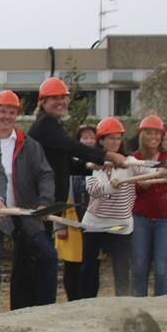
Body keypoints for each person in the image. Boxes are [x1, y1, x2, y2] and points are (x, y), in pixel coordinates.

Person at [28, 77, 125, 304]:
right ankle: (39, 304)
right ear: (43, 102)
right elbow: (72, 147)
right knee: (42, 258)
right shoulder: (46, 125)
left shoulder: (53, 125)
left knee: (43, 257)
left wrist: (93, 165)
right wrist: (106, 156)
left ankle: (39, 303)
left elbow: (64, 162)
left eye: (63, 97)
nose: (60, 102)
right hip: (41, 201)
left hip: (50, 202)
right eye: (55, 98)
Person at [0, 89, 56, 310]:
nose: (7, 116)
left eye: (12, 112)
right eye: (2, 111)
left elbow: (45, 175)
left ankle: (41, 310)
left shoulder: (29, 145)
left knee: (45, 256)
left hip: (24, 212)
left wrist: (44, 201)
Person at [77, 118, 134, 299]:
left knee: (122, 267)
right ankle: (87, 302)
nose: (115, 142)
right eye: (110, 138)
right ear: (101, 141)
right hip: (95, 223)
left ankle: (124, 304)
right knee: (89, 267)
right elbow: (93, 190)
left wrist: (166, 171)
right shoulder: (92, 165)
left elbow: (148, 172)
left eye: (118, 138)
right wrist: (111, 186)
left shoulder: (129, 162)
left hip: (121, 224)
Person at [129, 114, 167, 296]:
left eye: (157, 134)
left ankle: (161, 305)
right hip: (141, 218)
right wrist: (141, 185)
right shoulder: (134, 159)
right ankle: (138, 304)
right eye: (149, 133)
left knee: (161, 267)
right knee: (140, 266)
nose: (153, 137)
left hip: (166, 218)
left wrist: (166, 174)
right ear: (142, 135)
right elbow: (127, 186)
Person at [62, 123, 99, 300]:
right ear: (78, 140)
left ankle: (90, 299)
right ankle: (73, 300)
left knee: (92, 263)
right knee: (71, 264)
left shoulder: (100, 163)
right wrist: (58, 226)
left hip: (94, 220)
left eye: (93, 137)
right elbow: (59, 194)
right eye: (85, 137)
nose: (89, 140)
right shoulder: (68, 161)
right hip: (70, 220)